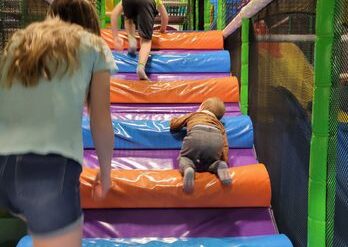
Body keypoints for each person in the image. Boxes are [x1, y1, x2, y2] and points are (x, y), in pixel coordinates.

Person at [0, 1, 115, 246]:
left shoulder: (21, 41)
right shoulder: (93, 45)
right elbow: (101, 120)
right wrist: (106, 173)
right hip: (49, 169)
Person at [170, 97, 232, 194]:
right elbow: (224, 144)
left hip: (196, 135)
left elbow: (175, 125)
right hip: (216, 139)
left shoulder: (194, 115)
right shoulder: (219, 124)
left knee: (185, 159)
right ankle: (219, 165)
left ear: (202, 107)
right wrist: (224, 159)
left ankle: (188, 168)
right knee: (212, 162)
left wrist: (173, 120)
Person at [111, 0, 168, 80]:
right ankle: (140, 67)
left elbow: (114, 14)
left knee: (128, 20)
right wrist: (162, 29)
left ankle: (132, 41)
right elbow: (165, 17)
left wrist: (115, 37)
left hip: (128, 2)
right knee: (146, 41)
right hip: (147, 3)